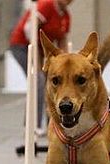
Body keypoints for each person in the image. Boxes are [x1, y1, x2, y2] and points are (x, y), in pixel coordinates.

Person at [9, 0, 72, 135]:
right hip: (23, 46)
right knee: (38, 81)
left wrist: (66, 64)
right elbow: (29, 29)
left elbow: (62, 41)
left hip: (41, 51)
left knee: (52, 82)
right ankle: (32, 125)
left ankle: (54, 123)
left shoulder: (65, 16)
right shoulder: (46, 5)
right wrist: (36, 60)